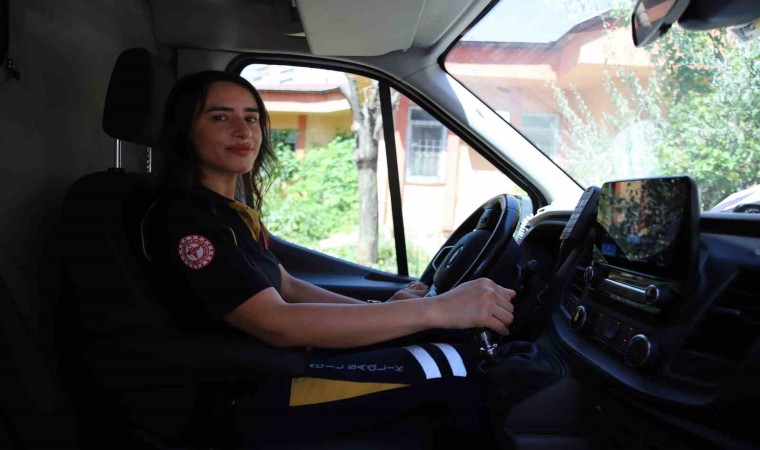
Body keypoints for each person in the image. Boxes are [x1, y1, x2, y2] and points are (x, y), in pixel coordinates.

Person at [143, 70, 517, 447]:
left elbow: (286, 285)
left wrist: (383, 310)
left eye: (252, 118)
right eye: (220, 117)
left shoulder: (229, 213)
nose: (244, 131)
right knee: (456, 368)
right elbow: (276, 323)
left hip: (277, 364)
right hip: (250, 388)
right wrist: (435, 310)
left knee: (445, 351)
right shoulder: (186, 221)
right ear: (185, 130)